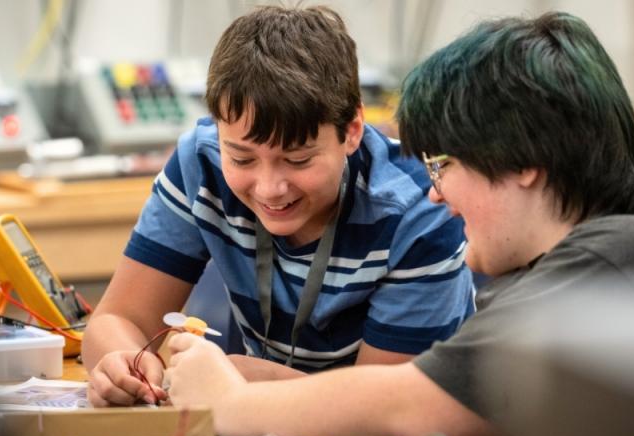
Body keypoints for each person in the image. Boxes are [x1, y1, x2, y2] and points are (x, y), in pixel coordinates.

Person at [162, 12, 634, 436]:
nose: (434, 193)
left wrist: (228, 401)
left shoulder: (625, 255)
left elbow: (412, 405)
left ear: (521, 159)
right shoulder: (571, 266)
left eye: (444, 166)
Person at [82, 5, 475, 407]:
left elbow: (385, 412)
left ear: (352, 131)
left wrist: (260, 386)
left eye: (299, 160)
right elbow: (117, 320)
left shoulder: (419, 209)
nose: (270, 189)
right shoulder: (200, 164)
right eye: (242, 159)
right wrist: (122, 362)